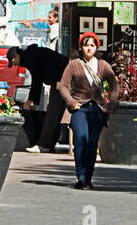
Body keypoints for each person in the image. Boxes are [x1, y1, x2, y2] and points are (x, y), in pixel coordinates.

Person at [56, 33, 120, 190]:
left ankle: (88, 177)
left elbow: (114, 85)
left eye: (92, 45)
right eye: (86, 45)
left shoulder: (103, 65)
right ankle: (81, 177)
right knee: (80, 141)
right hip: (79, 108)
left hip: (97, 108)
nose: (89, 48)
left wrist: (110, 104)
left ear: (96, 47)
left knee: (92, 144)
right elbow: (63, 85)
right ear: (81, 47)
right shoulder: (73, 64)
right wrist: (71, 102)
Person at [7, 43, 69, 153]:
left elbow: (37, 80)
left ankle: (43, 145)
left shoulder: (29, 57)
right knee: (57, 113)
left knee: (53, 112)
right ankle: (51, 143)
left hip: (60, 79)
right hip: (63, 76)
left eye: (13, 62)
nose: (16, 65)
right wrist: (34, 100)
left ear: (16, 56)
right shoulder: (32, 53)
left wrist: (32, 101)